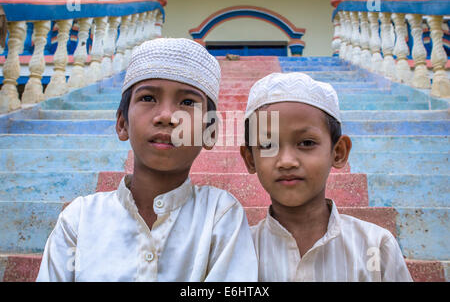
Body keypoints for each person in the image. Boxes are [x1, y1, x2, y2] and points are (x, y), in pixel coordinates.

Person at [36, 38, 258, 282]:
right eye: (148, 98)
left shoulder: (220, 215)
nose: (166, 117)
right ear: (122, 124)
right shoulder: (79, 219)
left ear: (211, 131)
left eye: (187, 102)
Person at [240, 72, 412, 282]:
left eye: (306, 143)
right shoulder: (239, 250)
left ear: (338, 152)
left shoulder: (376, 246)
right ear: (250, 159)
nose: (286, 161)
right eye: (268, 145)